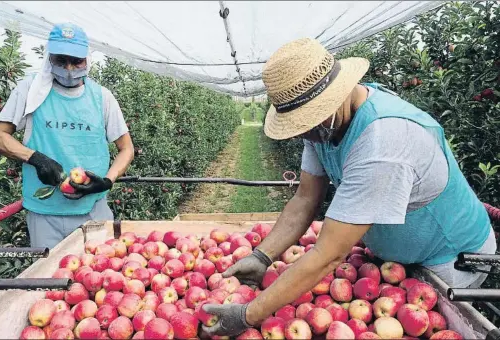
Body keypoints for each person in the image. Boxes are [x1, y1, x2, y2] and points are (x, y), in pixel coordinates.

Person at [202, 38, 497, 337]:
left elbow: (329, 255)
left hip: (448, 257)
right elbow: (305, 198)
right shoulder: (323, 126)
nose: (306, 134)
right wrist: (262, 256)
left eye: (308, 123)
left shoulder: (383, 141)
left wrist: (247, 314)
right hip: (395, 260)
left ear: (336, 96)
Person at [0, 23, 134, 249]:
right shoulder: (29, 91)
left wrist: (106, 181)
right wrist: (35, 158)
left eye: (76, 61)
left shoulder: (102, 98)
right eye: (60, 60)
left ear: (87, 59)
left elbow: (126, 148)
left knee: (100, 276)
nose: (69, 68)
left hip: (93, 209)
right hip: (45, 215)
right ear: (49, 58)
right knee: (51, 278)